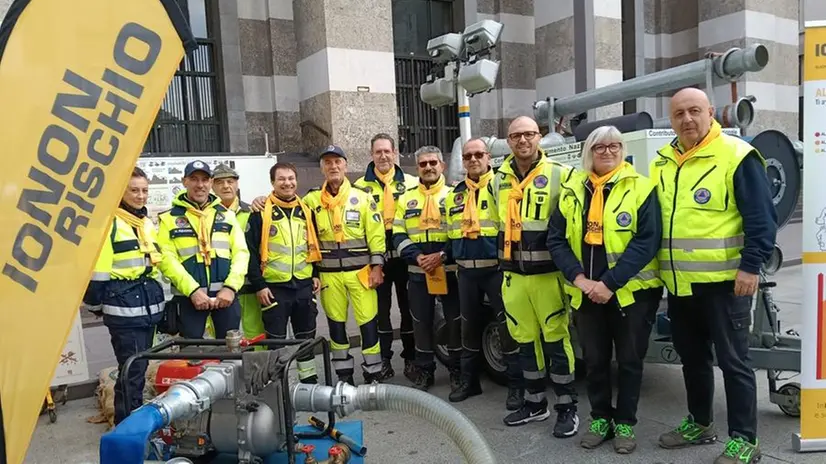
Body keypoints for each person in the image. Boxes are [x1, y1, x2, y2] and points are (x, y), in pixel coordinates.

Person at [652, 88, 776, 464]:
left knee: (734, 362)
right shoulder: (663, 160)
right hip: (680, 284)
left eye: (694, 111)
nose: (687, 119)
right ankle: (701, 422)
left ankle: (745, 439)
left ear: (711, 113)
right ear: (670, 120)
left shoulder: (737, 156)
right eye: (678, 114)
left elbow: (761, 218)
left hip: (726, 283)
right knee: (692, 359)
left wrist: (751, 265)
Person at [547, 126, 663, 454]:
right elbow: (555, 238)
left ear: (622, 149)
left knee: (629, 360)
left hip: (630, 294)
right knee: (595, 360)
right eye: (600, 147)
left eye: (614, 146)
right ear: (589, 152)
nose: (608, 152)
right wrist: (580, 279)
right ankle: (600, 417)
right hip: (586, 292)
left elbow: (647, 241)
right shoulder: (572, 190)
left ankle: (625, 422)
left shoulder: (641, 187)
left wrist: (609, 283)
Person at [492, 116, 579, 437]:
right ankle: (535, 403)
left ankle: (567, 407)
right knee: (524, 342)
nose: (523, 141)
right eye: (516, 136)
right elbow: (494, 224)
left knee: (556, 341)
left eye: (529, 134)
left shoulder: (561, 175)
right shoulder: (497, 179)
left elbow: (571, 226)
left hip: (548, 276)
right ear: (509, 141)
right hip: (513, 277)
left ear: (539, 137)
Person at [83, 167, 172, 424]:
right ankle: (129, 428)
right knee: (131, 371)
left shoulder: (143, 222)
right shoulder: (110, 223)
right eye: (134, 190)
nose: (141, 196)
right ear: (120, 192)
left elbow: (155, 263)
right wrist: (97, 304)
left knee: (138, 368)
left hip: (145, 307)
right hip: (123, 308)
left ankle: (133, 423)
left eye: (144, 190)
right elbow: (99, 271)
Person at [445, 138, 524, 410]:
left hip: (496, 270)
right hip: (466, 272)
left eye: (478, 154)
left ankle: (517, 385)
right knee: (468, 328)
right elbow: (450, 233)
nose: (473, 160)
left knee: (507, 327)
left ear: (488, 157)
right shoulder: (455, 194)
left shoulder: (502, 185)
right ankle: (470, 382)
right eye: (467, 156)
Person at [303, 145, 386, 384]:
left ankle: (373, 374)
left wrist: (377, 266)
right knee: (336, 326)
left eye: (337, 162)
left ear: (345, 165)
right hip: (329, 275)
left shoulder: (362, 197)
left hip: (361, 273)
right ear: (322, 168)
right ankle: (344, 375)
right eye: (328, 163)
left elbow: (376, 234)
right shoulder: (310, 200)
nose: (333, 166)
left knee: (368, 323)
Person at [392, 146, 461, 392]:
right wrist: (418, 256)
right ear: (417, 168)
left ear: (442, 165)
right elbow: (397, 234)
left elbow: (460, 232)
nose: (429, 167)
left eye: (433, 162)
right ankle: (425, 371)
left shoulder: (455, 195)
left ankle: (456, 371)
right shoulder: (405, 198)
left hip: (449, 272)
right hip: (419, 273)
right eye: (423, 164)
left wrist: (442, 255)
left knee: (454, 322)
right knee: (421, 324)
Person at [245, 162, 322, 383]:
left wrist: (315, 273)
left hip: (304, 286)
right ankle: (276, 384)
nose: (287, 183)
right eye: (282, 179)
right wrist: (259, 285)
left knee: (306, 337)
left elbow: (312, 245)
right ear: (272, 183)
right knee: (276, 340)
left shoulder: (306, 211)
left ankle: (309, 382)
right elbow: (250, 252)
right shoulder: (260, 212)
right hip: (274, 288)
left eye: (291, 178)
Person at [157, 160, 250, 339]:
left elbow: (241, 253)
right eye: (194, 179)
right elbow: (166, 259)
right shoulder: (169, 218)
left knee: (231, 353)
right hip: (189, 299)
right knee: (192, 356)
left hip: (226, 297)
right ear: (184, 181)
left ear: (210, 182)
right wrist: (193, 291)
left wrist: (231, 287)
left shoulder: (227, 216)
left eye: (204, 180)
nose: (200, 185)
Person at [354, 133, 418, 381]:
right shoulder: (359, 186)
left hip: (405, 258)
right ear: (371, 155)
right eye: (378, 152)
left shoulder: (412, 182)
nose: (382, 156)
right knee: (379, 312)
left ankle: (411, 358)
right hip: (376, 260)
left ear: (395, 153)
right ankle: (384, 359)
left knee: (408, 309)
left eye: (387, 151)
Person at [211, 163, 259, 341]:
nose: (226, 186)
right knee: (222, 337)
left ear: (237, 184)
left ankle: (256, 369)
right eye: (220, 182)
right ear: (211, 185)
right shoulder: (205, 216)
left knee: (254, 333)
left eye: (230, 181)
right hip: (219, 287)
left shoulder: (252, 212)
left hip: (248, 285)